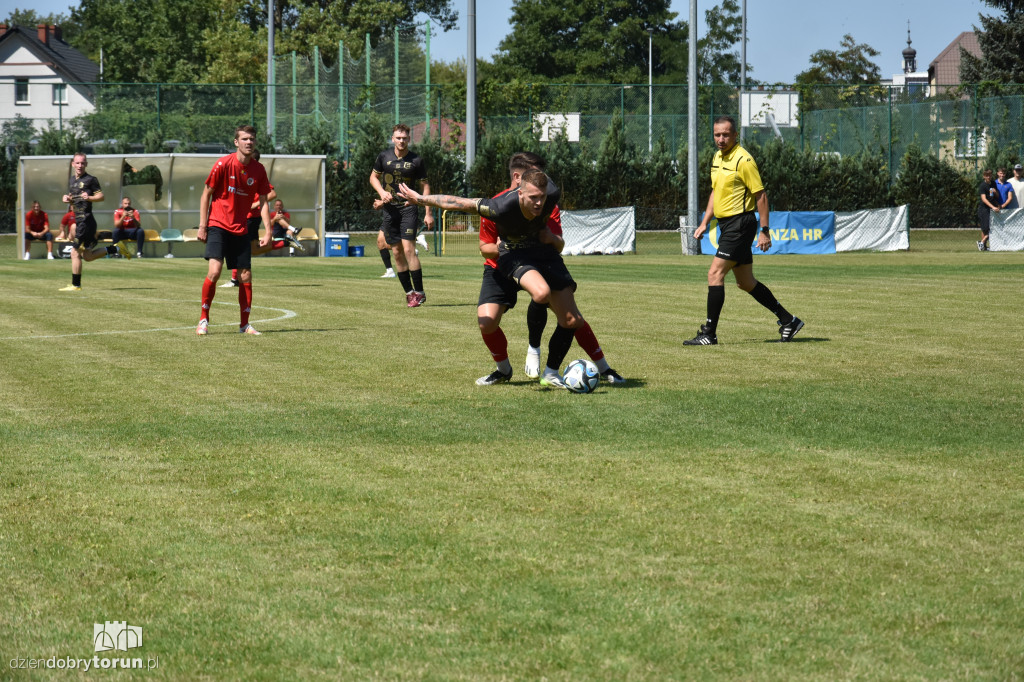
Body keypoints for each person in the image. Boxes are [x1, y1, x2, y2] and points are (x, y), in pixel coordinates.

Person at [399, 169, 590, 389]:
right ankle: (532, 350)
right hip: (513, 254)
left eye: (542, 197)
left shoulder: (552, 193)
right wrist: (421, 199)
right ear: (520, 193)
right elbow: (459, 203)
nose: (539, 203)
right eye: (533, 198)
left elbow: (541, 175)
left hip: (544, 255)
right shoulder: (500, 207)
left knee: (571, 320)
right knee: (541, 293)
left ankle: (551, 373)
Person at [476, 152, 624, 386]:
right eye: (534, 175)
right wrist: (507, 247)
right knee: (486, 322)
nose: (541, 180)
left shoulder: (544, 203)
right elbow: (485, 248)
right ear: (517, 178)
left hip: (540, 262)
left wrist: (549, 238)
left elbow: (558, 244)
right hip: (501, 265)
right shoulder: (496, 207)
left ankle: (604, 368)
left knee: (571, 317)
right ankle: (503, 370)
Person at [686, 115, 803, 345]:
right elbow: (715, 192)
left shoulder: (743, 160)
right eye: (717, 134)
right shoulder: (717, 157)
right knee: (745, 282)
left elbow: (761, 195)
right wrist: (704, 222)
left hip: (741, 225)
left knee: (715, 274)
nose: (721, 139)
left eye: (726, 134)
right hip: (727, 225)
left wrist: (765, 230)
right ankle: (788, 320)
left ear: (735, 135)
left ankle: (709, 334)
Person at [195, 125, 273, 335]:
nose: (249, 142)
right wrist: (203, 226)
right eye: (245, 139)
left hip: (241, 228)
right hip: (218, 225)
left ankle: (244, 325)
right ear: (236, 142)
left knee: (245, 275)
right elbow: (206, 195)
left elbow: (265, 202)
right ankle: (203, 320)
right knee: (215, 271)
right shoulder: (223, 164)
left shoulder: (259, 170)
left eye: (252, 139)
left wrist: (268, 231)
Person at [369, 123, 434, 307]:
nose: (401, 141)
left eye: (404, 138)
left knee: (408, 249)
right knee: (396, 252)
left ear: (409, 139)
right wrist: (382, 194)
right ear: (393, 139)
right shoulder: (384, 156)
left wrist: (427, 211)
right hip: (390, 210)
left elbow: (425, 186)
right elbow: (373, 177)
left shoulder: (416, 160)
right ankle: (409, 293)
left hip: (408, 208)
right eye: (398, 138)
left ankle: (420, 292)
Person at [220, 152, 303, 288]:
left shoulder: (255, 173)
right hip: (246, 217)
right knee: (252, 249)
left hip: (250, 218)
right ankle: (285, 243)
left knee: (239, 248)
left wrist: (254, 204)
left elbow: (272, 193)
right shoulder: (242, 171)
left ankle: (235, 280)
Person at [59, 153, 133, 292]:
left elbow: (101, 196)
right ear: (73, 164)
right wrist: (68, 199)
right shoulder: (72, 181)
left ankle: (76, 285)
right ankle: (116, 248)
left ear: (86, 164)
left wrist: (90, 197)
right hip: (82, 221)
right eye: (78, 163)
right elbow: (75, 198)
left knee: (74, 253)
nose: (80, 165)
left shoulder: (91, 179)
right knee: (87, 256)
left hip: (85, 221)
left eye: (83, 163)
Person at [977, 169, 999, 251]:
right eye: (987, 175)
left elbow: (997, 196)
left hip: (992, 209)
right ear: (984, 176)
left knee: (991, 227)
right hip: (984, 209)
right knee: (985, 228)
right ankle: (983, 245)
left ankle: (983, 244)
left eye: (990, 175)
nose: (988, 177)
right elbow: (984, 199)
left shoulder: (993, 183)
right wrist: (992, 207)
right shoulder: (983, 186)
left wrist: (995, 192)